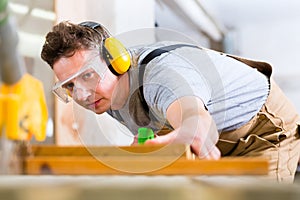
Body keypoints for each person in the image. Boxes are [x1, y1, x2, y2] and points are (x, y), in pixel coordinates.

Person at [41, 21, 300, 182]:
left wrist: (181, 138)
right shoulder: (104, 96)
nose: (82, 95)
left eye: (88, 75)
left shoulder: (161, 75)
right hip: (218, 140)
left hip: (264, 130)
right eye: (70, 86)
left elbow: (197, 123)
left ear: (116, 60)